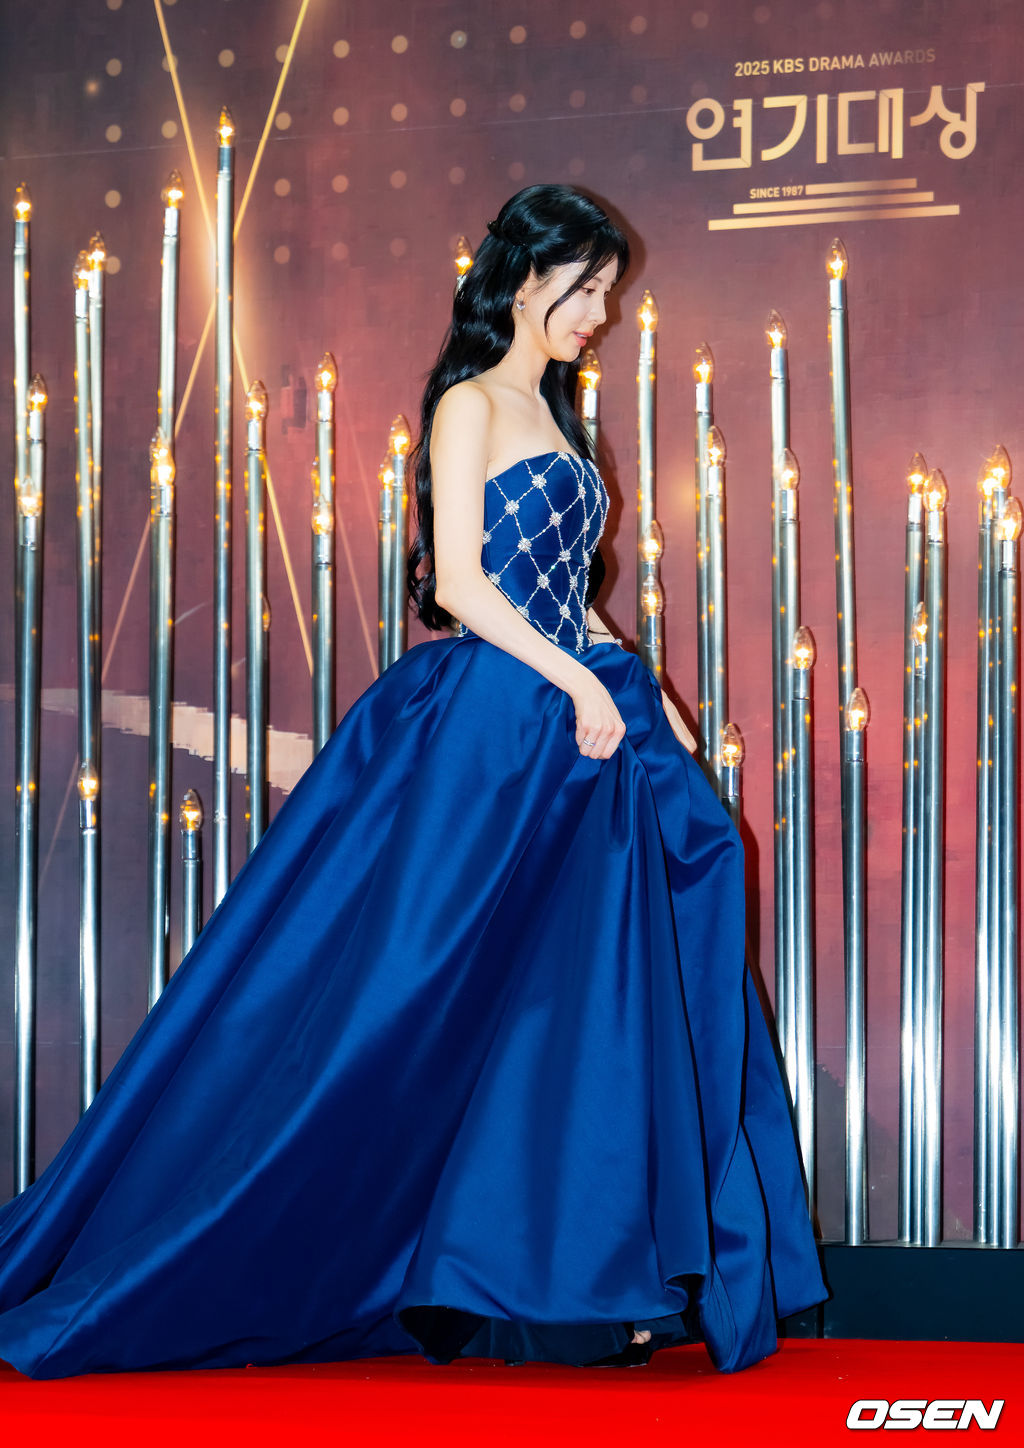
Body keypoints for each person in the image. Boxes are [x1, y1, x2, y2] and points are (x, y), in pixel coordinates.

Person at [0, 184, 824, 1380]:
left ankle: (584, 1277)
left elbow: (568, 595)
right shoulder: (468, 402)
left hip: (574, 716)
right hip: (494, 725)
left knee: (576, 999)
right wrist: (578, 681)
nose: (598, 314)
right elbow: (459, 586)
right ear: (524, 277)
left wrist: (640, 696)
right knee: (408, 994)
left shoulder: (556, 414)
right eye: (585, 289)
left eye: (605, 293)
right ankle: (253, 1248)